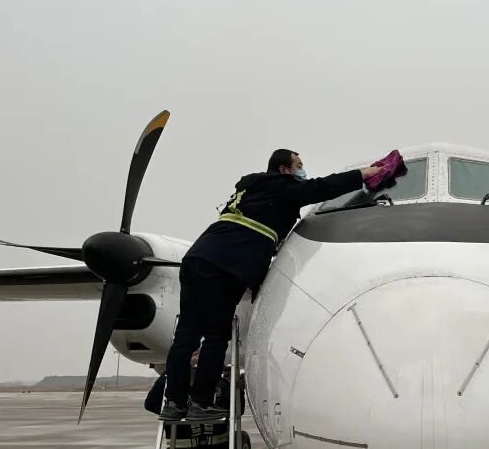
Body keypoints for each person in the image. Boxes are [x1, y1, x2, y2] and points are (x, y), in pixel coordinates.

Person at [159, 149, 385, 422]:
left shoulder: (251, 188)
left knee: (186, 336)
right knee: (216, 337)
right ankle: (201, 404)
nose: (302, 171)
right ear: (284, 170)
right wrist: (363, 174)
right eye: (298, 166)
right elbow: (321, 187)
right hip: (227, 265)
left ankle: (173, 404)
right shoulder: (281, 186)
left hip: (198, 257)